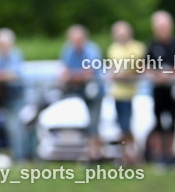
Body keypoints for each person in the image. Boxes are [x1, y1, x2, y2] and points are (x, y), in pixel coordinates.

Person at [58, 24, 104, 162]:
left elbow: (90, 72)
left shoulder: (92, 50)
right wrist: (76, 75)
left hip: (94, 91)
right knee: (82, 122)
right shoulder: (68, 50)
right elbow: (63, 72)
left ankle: (94, 154)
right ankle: (84, 152)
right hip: (77, 91)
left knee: (94, 122)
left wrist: (73, 75)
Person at [106, 21, 145, 165]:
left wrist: (124, 74)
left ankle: (133, 154)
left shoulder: (137, 48)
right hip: (117, 93)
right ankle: (126, 155)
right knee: (122, 126)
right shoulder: (113, 49)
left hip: (132, 93)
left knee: (127, 125)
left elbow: (139, 69)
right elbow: (113, 70)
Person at [0, 28, 29, 161]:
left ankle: (19, 156)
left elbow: (13, 75)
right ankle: (17, 153)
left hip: (18, 96)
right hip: (5, 97)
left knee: (15, 126)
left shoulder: (16, 55)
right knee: (10, 126)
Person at [145, 10, 175, 165]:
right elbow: (144, 66)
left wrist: (170, 74)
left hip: (172, 88)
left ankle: (170, 154)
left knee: (172, 122)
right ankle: (159, 155)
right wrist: (156, 74)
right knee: (158, 122)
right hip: (158, 89)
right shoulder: (152, 45)